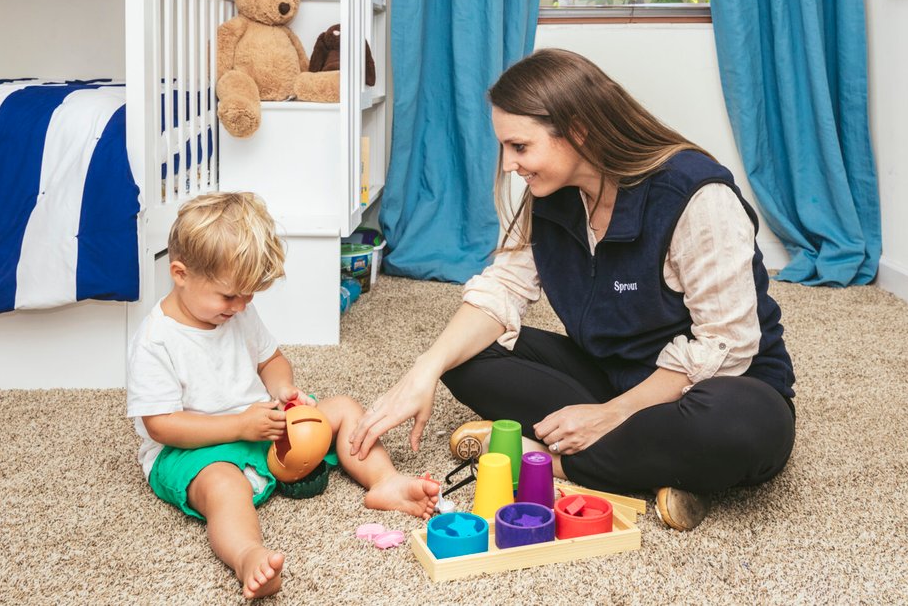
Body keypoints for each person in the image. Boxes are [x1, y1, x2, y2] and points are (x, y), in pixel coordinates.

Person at [352, 49, 795, 532]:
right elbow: (503, 288)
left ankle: (551, 462)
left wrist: (611, 415)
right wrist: (425, 369)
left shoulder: (696, 195)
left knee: (742, 426)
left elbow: (727, 345)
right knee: (465, 354)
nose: (508, 164)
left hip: (712, 389)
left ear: (578, 131)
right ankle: (658, 468)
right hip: (609, 375)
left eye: (520, 147)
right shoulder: (551, 193)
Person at [127, 192, 439, 599]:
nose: (241, 307)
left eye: (249, 295)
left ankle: (385, 481)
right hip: (193, 451)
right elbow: (162, 426)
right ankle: (247, 555)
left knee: (344, 408)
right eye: (229, 296)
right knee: (225, 486)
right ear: (180, 274)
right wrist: (239, 426)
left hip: (261, 427)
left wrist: (281, 389)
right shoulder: (156, 342)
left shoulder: (238, 311)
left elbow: (271, 359)